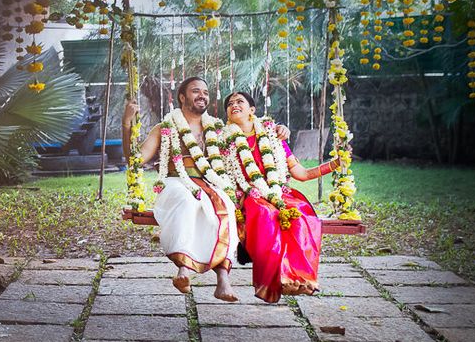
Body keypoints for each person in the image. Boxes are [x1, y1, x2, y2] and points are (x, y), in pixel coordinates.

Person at [122, 77, 242, 301]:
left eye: (205, 92)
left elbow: (249, 132)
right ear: (182, 97)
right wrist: (127, 124)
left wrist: (277, 130)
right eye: (196, 91)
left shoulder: (217, 129)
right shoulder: (165, 127)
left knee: (225, 206)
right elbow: (135, 160)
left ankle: (223, 279)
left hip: (210, 184)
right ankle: (183, 270)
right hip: (176, 182)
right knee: (188, 202)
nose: (202, 96)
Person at [222, 91, 340, 303]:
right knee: (265, 213)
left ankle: (298, 279)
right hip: (250, 196)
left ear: (252, 110)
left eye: (240, 101)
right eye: (230, 104)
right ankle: (272, 282)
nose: (234, 105)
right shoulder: (222, 141)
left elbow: (301, 174)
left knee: (302, 216)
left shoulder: (273, 137)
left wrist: (334, 165)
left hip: (279, 192)